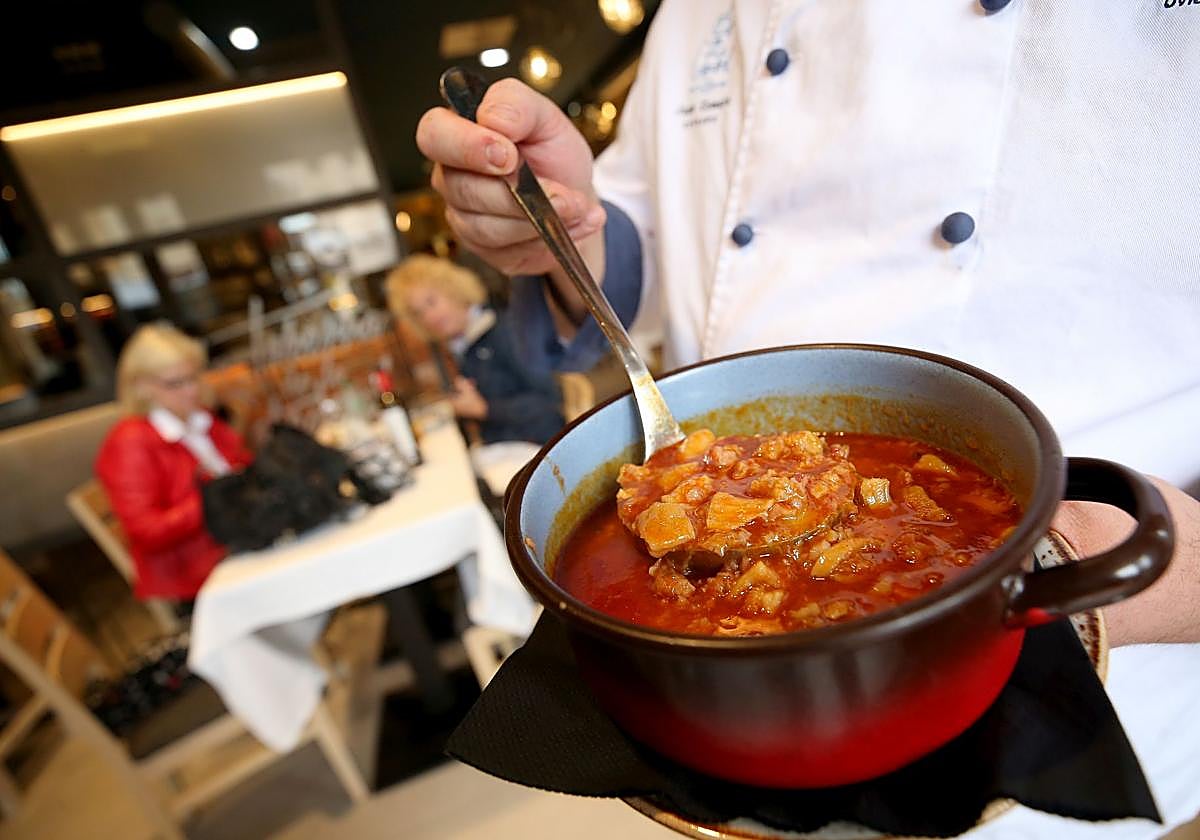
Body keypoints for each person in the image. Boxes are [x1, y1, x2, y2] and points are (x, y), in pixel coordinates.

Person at [417, 2, 1200, 835]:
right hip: (712, 729)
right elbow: (639, 233)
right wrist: (567, 231)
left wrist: (1104, 569)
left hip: (1090, 675)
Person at [95, 324, 253, 602]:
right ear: (141, 387)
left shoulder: (198, 417)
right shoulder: (130, 442)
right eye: (175, 383)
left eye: (194, 377)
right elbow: (147, 531)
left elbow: (241, 462)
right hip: (194, 575)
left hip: (233, 547)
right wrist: (214, 497)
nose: (191, 390)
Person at [386, 253, 564, 445]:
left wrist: (484, 408)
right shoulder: (461, 346)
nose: (429, 317)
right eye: (418, 313)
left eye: (431, 302)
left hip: (539, 447)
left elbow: (550, 403)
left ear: (453, 291)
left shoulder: (506, 331)